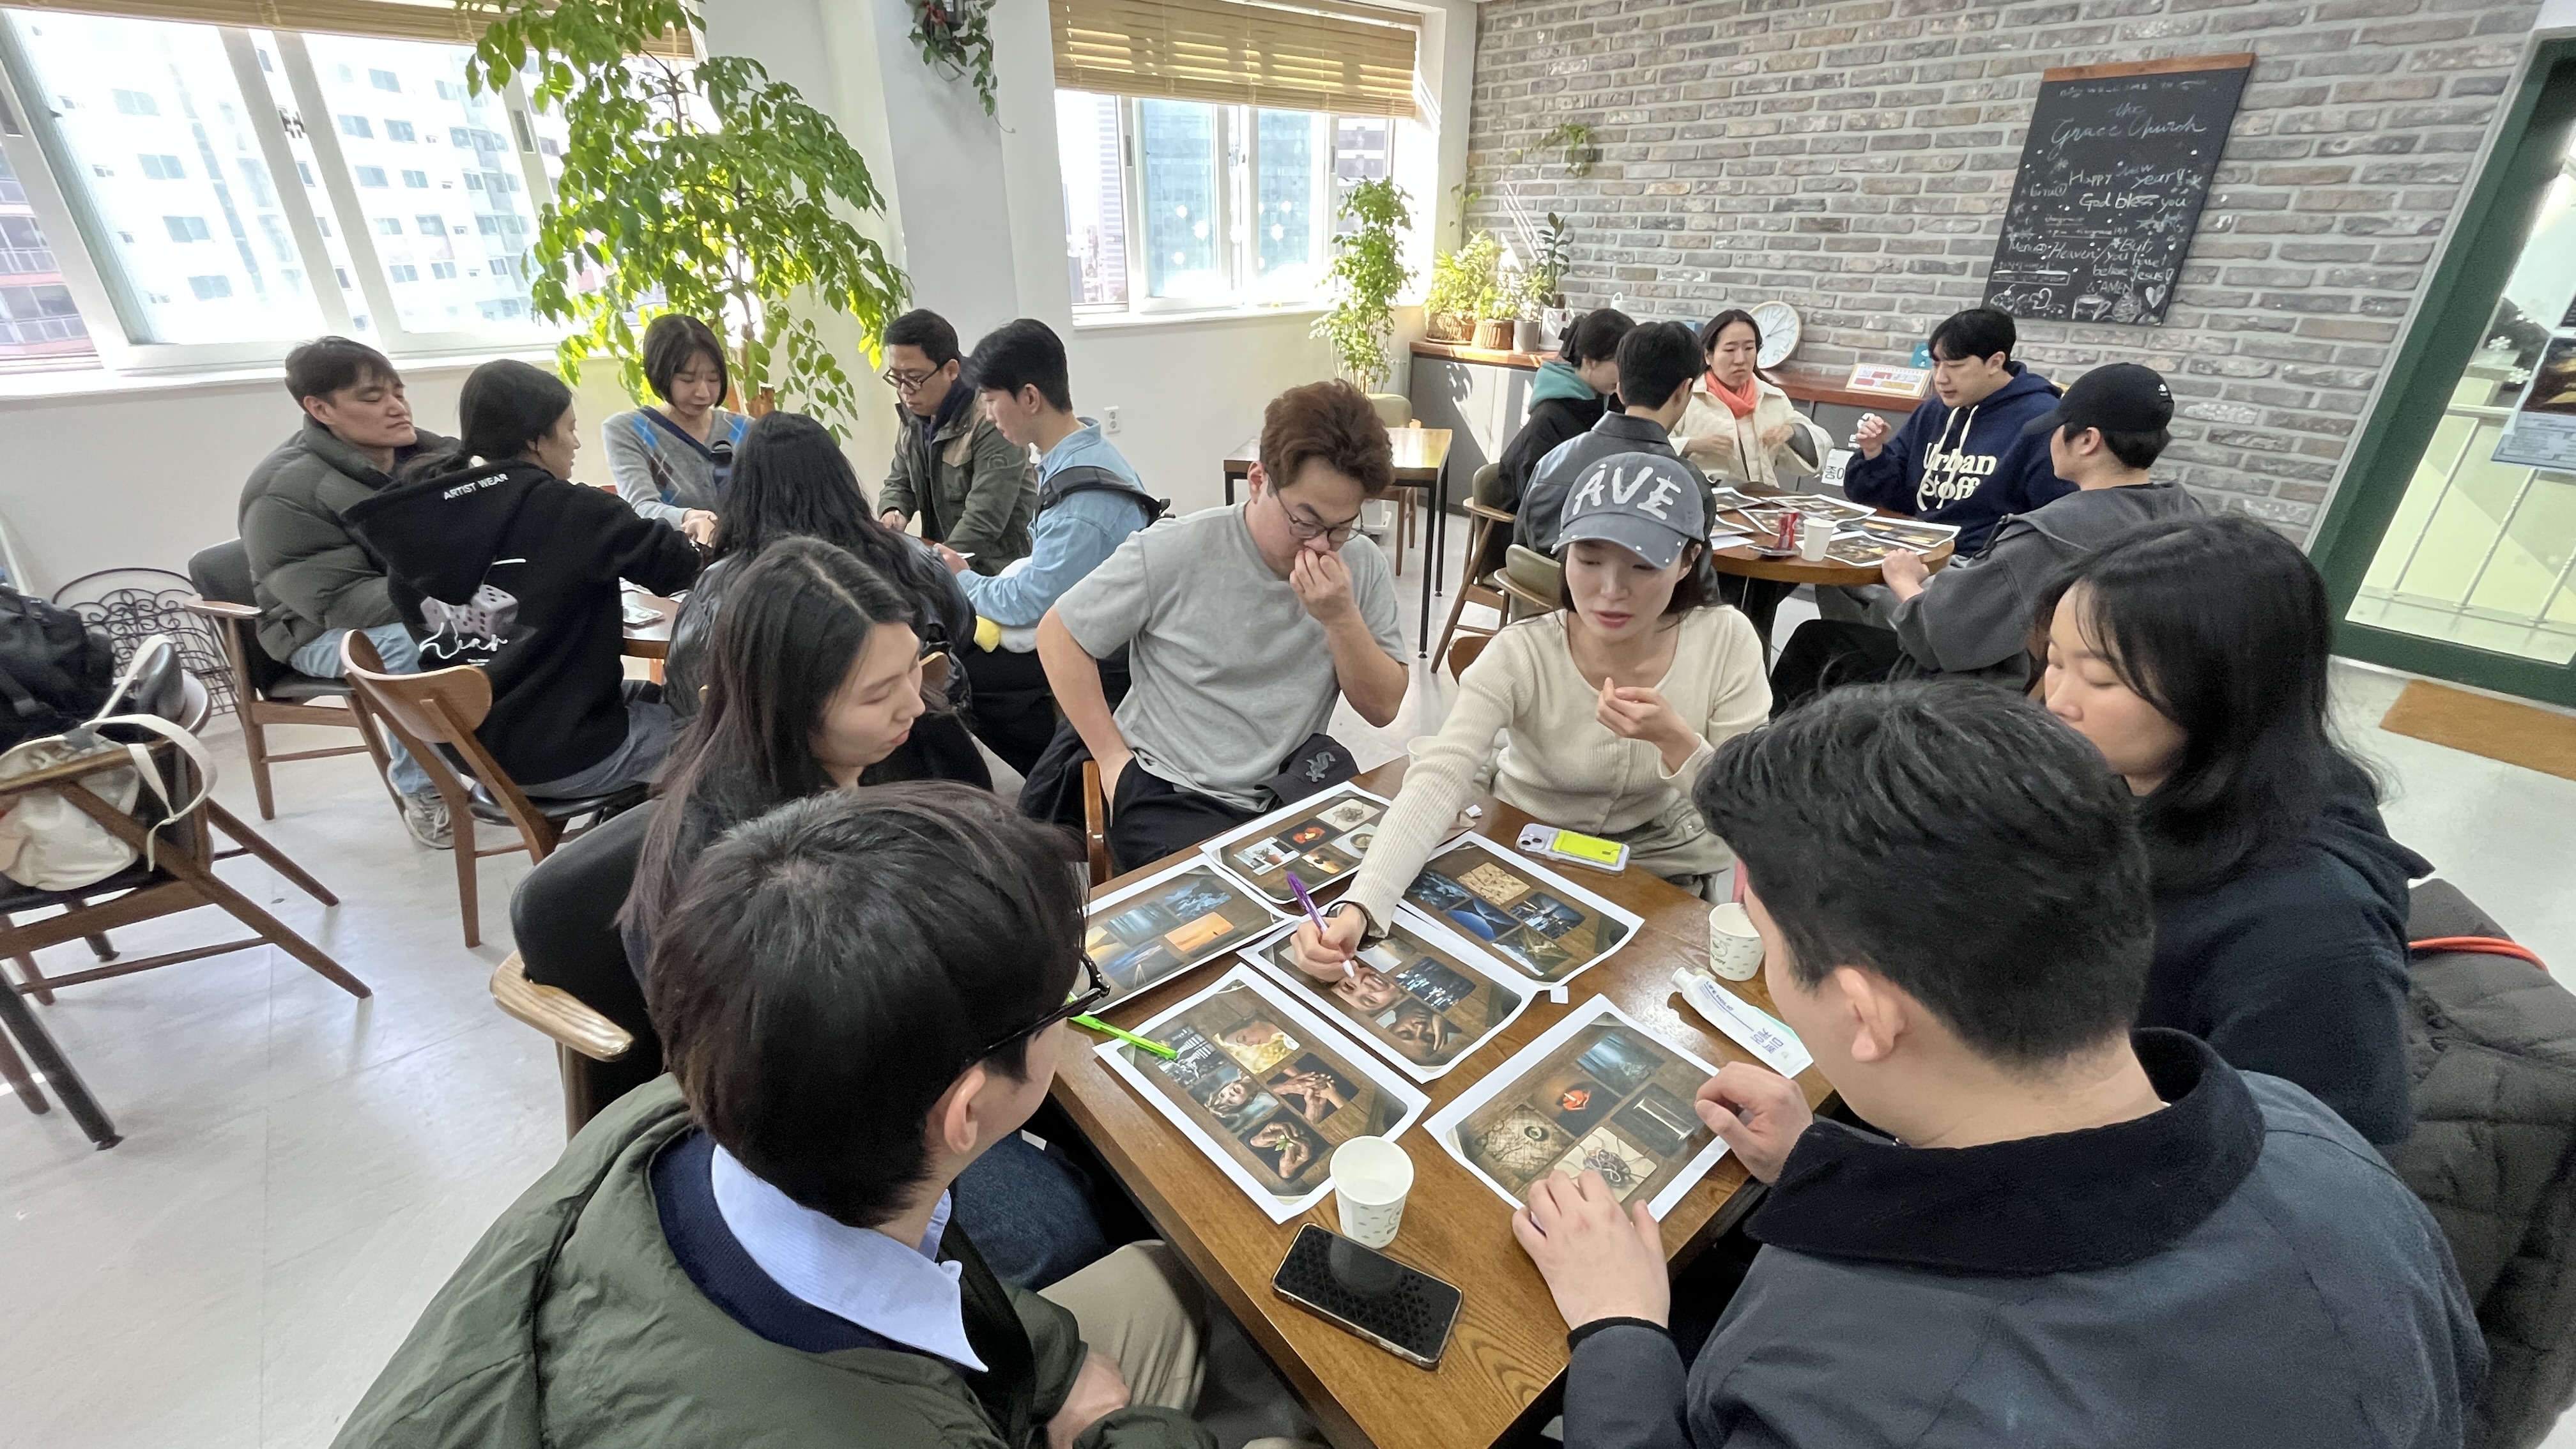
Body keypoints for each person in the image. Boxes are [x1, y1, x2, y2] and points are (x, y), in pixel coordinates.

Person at [1513, 682, 2483, 1449]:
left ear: (1864, 1012)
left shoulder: (1850, 1384)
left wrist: (1620, 1328)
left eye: (1766, 939)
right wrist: (1825, 1158)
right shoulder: (2321, 1143)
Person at [332, 785, 1227, 1449]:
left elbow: (910, 1278)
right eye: (1067, 998)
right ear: (966, 1110)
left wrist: (1053, 1366)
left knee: (1157, 1276)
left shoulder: (670, 1112)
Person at [627, 538, 1103, 1286]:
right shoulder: (751, 866)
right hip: (848, 1137)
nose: (915, 702)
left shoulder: (861, 762)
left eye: (915, 666)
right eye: (879, 694)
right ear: (792, 701)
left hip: (918, 1061)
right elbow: (840, 1083)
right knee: (1068, 1224)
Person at [1287, 451, 1768, 981]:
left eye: (1643, 566)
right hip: (1522, 852)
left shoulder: (1725, 641)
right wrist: (1360, 906)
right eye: (1589, 561)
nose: (1611, 591)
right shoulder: (1524, 651)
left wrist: (1678, 743)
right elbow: (1440, 776)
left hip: (1655, 872)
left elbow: (1757, 812)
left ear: (1688, 559)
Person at [2038, 514, 2425, 1144]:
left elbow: (2320, 1158)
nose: (2058, 700)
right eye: (2054, 662)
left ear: (2225, 687)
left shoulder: (2306, 927)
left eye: (2101, 679)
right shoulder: (2130, 777)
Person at [1035, 380, 1408, 872]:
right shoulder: (1175, 549)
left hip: (1289, 785)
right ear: (1258, 480)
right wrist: (1111, 761)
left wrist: (1341, 619)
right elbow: (1059, 634)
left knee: (1377, 883)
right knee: (1216, 913)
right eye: (1305, 521)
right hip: (1172, 789)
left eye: (1341, 526)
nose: (1321, 545)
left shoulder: (1359, 565)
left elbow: (1383, 708)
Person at [344, 359, 702, 799]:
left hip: (479, 750)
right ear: (536, 439)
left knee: (658, 696)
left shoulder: (416, 514)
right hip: (567, 752)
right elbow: (678, 568)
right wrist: (698, 535)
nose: (576, 443)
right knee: (733, 736)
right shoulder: (572, 510)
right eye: (569, 429)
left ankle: (626, 815)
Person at [1766, 362, 2205, 712]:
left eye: (2056, 429)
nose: (2049, 440)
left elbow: (1942, 641)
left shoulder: (2050, 533)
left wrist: (1904, 581)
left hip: (1985, 696)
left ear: (2087, 440)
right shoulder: (2188, 516)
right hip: (2124, 693)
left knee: (1817, 641)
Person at [663, 411, 989, 788]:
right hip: (931, 764)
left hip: (786, 783)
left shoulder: (720, 588)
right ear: (841, 479)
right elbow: (962, 630)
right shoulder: (912, 556)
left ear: (743, 492)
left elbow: (689, 700)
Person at [240, 336, 455, 847]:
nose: (396, 406)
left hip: (418, 601)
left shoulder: (430, 454)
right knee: (408, 645)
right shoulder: (282, 492)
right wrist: (452, 600)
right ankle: (423, 788)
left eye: (398, 391)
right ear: (320, 409)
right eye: (372, 397)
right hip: (313, 631)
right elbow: (339, 601)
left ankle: (519, 757)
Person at [949, 318, 1162, 777]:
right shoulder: (1083, 455)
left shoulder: (1081, 504)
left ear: (1029, 398)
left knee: (960, 675)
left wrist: (962, 579)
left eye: (991, 400)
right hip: (1091, 621)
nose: (988, 414)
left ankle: (1057, 775)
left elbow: (1031, 602)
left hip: (1108, 656)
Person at [1840, 305, 2069, 553]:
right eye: (1936, 365)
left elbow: (2055, 520)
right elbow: (1884, 498)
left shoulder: (2043, 419)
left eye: (1956, 366)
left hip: (1981, 561)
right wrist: (1874, 454)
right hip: (1912, 545)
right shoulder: (1934, 411)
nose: (1941, 378)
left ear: (1995, 362)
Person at [1518, 321, 1703, 557]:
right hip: (1618, 585)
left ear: (1620, 389)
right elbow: (1694, 575)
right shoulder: (1689, 484)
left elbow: (1520, 544)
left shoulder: (1552, 460)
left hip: (1539, 580)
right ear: (1685, 390)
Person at [877, 308, 1038, 574]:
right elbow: (901, 479)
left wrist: (932, 567)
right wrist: (893, 511)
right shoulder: (916, 411)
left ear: (951, 370)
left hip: (998, 571)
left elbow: (985, 518)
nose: (904, 391)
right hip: (945, 560)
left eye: (914, 378)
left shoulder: (990, 417)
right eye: (897, 377)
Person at [601, 314, 746, 546]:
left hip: (747, 558)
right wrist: (690, 517)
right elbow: (640, 506)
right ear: (660, 375)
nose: (703, 392)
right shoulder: (628, 430)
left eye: (713, 379)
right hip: (676, 557)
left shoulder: (746, 429)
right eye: (688, 380)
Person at [1494, 308, 1634, 534]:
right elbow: (1538, 505)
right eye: (1621, 364)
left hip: (1582, 522)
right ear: (1590, 362)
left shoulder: (1606, 403)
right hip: (1534, 535)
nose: (1626, 375)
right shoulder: (1549, 417)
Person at [1669, 310, 1828, 489]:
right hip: (1703, 499)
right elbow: (1652, 446)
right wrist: (1693, 445)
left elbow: (1821, 446)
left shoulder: (1772, 398)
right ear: (1708, 355)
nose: (1740, 359)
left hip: (1761, 498)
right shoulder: (1686, 396)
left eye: (1749, 349)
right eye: (1730, 350)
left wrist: (1794, 433)